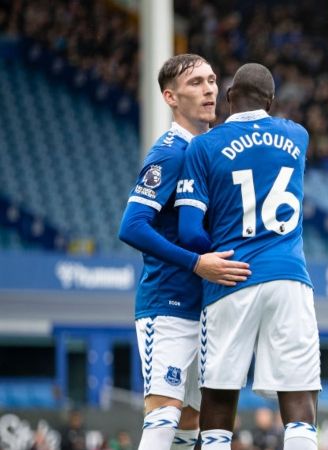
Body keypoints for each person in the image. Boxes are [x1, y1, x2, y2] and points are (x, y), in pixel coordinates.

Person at [175, 62, 319, 450]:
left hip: (231, 279)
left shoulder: (204, 146)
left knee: (219, 399)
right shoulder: (298, 135)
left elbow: (188, 230)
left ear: (228, 97)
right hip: (290, 278)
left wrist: (214, 256)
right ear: (271, 101)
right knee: (300, 398)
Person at [118, 53, 251, 450]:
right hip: (168, 304)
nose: (210, 89)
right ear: (170, 97)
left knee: (191, 421)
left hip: (205, 307)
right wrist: (197, 263)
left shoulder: (210, 151)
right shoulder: (171, 152)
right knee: (163, 415)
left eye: (212, 79)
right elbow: (132, 226)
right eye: (196, 83)